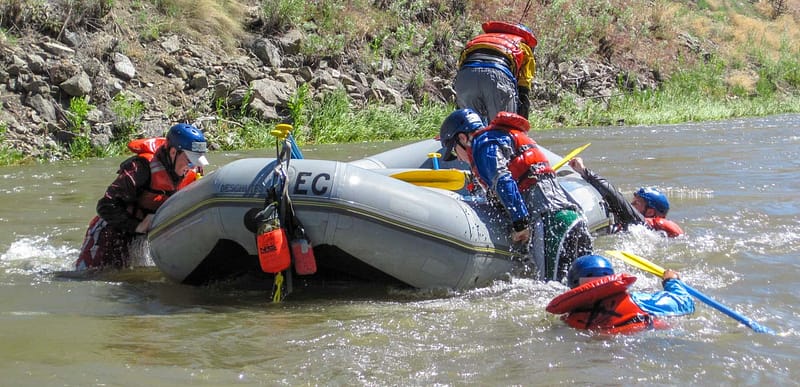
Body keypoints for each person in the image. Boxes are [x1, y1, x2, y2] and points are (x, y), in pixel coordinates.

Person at [440, 109, 592, 281]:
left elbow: (502, 178)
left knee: (552, 289)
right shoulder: (501, 136)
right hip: (572, 218)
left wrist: (520, 223)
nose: (459, 159)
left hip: (551, 223)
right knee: (587, 284)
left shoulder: (483, 144)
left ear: (462, 138)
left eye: (454, 152)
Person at [75, 123, 210, 270]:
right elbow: (105, 206)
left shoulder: (194, 170)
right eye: (190, 161)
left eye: (196, 162)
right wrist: (137, 226)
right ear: (173, 152)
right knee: (91, 274)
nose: (192, 167)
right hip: (114, 229)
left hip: (143, 236)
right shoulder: (141, 168)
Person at [546, 254, 695, 334]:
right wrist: (671, 281)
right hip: (645, 337)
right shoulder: (637, 300)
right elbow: (685, 303)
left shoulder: (566, 320)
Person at [568, 157, 684, 238]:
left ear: (649, 212)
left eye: (636, 203)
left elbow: (615, 196)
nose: (631, 205)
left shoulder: (642, 224)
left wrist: (583, 171)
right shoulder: (644, 229)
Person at [454, 21, 537, 124]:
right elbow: (524, 90)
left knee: (470, 128)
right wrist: (520, 126)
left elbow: (461, 66)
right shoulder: (523, 47)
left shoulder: (478, 40)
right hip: (498, 75)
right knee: (503, 127)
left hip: (465, 77)